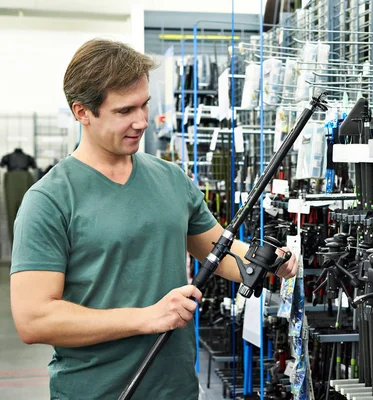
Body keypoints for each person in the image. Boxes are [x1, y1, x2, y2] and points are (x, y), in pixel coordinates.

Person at [9, 39, 298, 400]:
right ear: (82, 112)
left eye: (145, 105)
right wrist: (147, 317)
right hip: (95, 391)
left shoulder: (171, 179)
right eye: (125, 110)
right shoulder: (49, 200)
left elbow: (219, 250)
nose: (142, 121)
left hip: (175, 388)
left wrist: (269, 262)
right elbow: (34, 319)